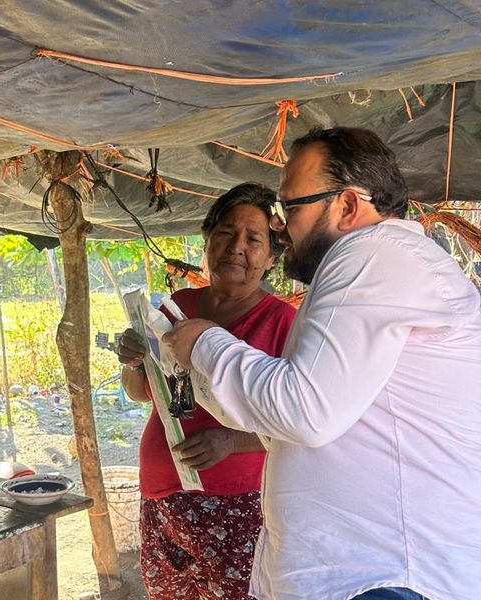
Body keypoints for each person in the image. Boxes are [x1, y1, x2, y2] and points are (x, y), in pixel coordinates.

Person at [164, 127, 481, 600]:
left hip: (384, 577)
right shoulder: (373, 265)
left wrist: (207, 340)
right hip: (361, 571)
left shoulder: (374, 254)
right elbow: (283, 417)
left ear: (348, 206)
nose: (278, 225)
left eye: (288, 208)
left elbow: (304, 412)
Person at [117, 182, 297, 599]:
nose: (237, 247)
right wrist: (132, 360)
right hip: (162, 490)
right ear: (208, 240)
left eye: (254, 240)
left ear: (271, 257)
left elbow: (300, 420)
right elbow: (140, 392)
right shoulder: (178, 306)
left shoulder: (282, 323)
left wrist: (231, 441)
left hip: (235, 501)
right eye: (226, 233)